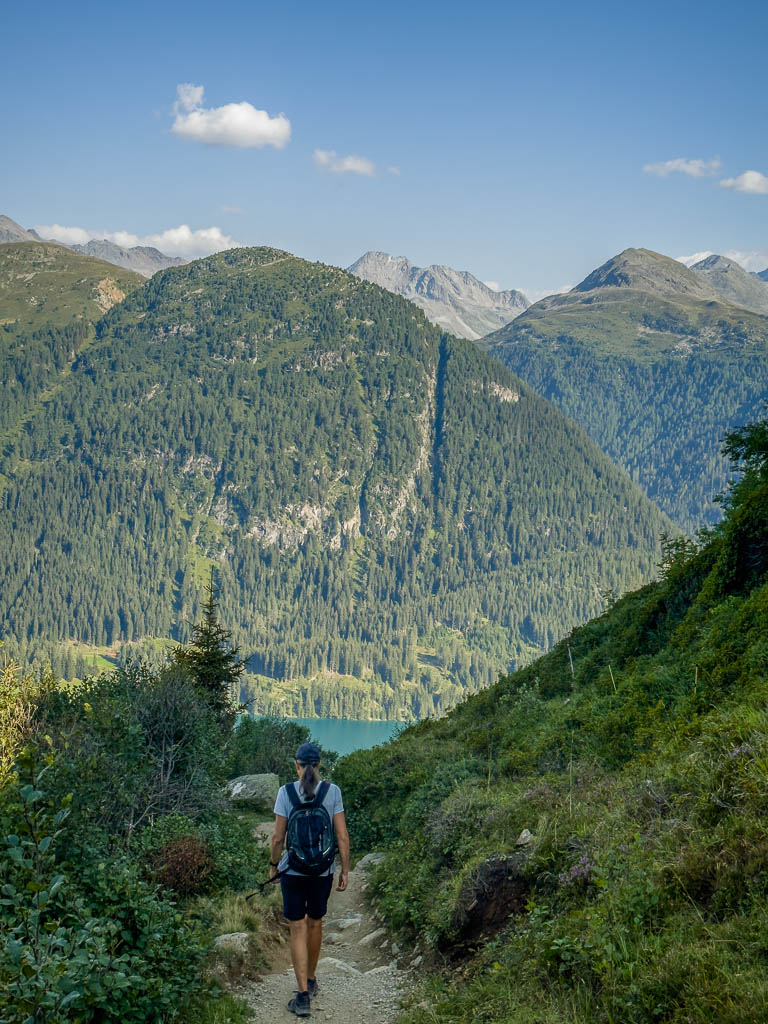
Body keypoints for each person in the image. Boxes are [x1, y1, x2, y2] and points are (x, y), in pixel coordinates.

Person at [270, 741, 350, 1018]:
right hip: (322, 872)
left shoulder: (285, 792)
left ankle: (302, 995)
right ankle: (312, 979)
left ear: (297, 765)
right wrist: (345, 869)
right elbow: (341, 836)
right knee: (316, 923)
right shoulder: (332, 792)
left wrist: (273, 866)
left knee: (297, 928)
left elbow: (278, 838)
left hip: (293, 870)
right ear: (319, 765)